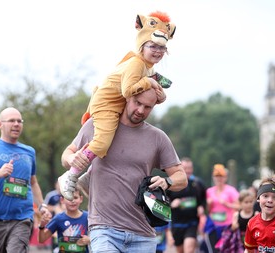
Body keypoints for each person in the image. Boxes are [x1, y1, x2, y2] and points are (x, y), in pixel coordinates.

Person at [58, 10, 175, 200]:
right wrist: (151, 83)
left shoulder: (147, 66)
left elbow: (153, 89)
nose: (157, 51)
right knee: (102, 142)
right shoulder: (137, 64)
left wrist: (160, 94)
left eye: (162, 48)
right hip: (107, 104)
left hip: (118, 104)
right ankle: (70, 175)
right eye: (153, 46)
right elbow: (128, 91)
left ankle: (88, 177)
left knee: (121, 137)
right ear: (142, 46)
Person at [61, 87, 188, 253]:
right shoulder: (98, 126)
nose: (141, 110)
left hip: (143, 233)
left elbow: (181, 178)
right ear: (127, 97)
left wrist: (167, 181)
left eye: (147, 107)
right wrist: (72, 159)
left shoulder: (158, 138)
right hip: (104, 228)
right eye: (137, 103)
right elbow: (67, 154)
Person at [0, 107, 52, 252]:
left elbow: (33, 182)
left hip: (22, 218)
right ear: (0, 124)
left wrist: (42, 206)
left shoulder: (29, 152)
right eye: (12, 121)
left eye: (19, 121)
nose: (16, 124)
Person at [167, 157, 206, 253]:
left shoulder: (197, 183)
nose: (188, 171)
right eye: (185, 168)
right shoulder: (172, 183)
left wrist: (201, 207)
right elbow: (164, 202)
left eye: (190, 168)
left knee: (189, 250)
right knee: (180, 251)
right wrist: (171, 204)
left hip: (192, 223)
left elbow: (203, 198)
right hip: (177, 224)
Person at [205, 164, 239, 251]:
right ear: (213, 178)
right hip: (213, 226)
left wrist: (227, 204)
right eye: (216, 176)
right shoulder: (209, 191)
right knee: (214, 250)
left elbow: (239, 206)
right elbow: (207, 211)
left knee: (227, 250)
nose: (219, 178)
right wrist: (208, 204)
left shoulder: (231, 190)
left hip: (227, 226)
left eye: (221, 176)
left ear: (225, 178)